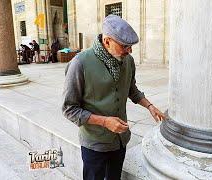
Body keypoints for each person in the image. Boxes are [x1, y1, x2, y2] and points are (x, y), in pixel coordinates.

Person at [62, 15, 166, 180]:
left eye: (131, 46)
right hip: (94, 144)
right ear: (107, 41)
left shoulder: (128, 61)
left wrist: (150, 106)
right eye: (125, 46)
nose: (130, 51)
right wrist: (104, 121)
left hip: (120, 141)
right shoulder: (79, 63)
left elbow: (132, 90)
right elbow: (69, 109)